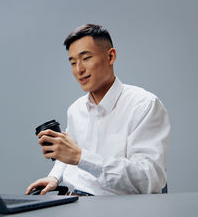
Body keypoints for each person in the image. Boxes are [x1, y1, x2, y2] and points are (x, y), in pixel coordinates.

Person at [25, 24, 170, 196]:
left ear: (110, 56)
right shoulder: (76, 109)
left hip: (119, 212)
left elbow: (148, 180)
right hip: (73, 203)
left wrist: (81, 157)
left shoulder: (144, 105)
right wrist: (54, 177)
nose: (79, 69)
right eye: (73, 62)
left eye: (86, 58)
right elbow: (69, 154)